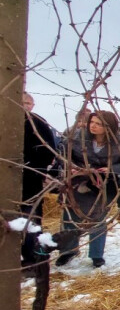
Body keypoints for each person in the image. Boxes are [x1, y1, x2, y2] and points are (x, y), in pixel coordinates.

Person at [56, 110, 120, 268]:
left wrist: (110, 168)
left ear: (108, 127)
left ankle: (97, 255)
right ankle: (68, 251)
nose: (93, 126)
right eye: (92, 122)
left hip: (103, 186)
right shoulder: (76, 137)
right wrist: (71, 168)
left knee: (98, 219)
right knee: (71, 217)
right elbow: (61, 156)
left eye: (99, 124)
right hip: (77, 183)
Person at [21, 92, 57, 224]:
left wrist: (38, 170)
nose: (25, 106)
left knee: (31, 212)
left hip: (32, 175)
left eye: (28, 103)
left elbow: (49, 149)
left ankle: (33, 241)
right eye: (22, 102)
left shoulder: (38, 122)